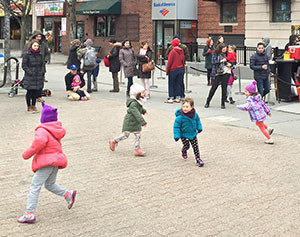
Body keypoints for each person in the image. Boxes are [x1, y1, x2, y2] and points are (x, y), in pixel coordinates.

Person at [17, 102, 77, 223]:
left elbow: (39, 142)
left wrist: (26, 154)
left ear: (43, 118)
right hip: (56, 160)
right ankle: (67, 194)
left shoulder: (42, 130)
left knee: (35, 187)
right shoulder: (56, 129)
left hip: (46, 162)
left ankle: (29, 213)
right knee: (50, 184)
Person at [109, 83, 147, 156]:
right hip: (130, 122)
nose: (144, 94)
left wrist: (143, 111)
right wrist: (143, 122)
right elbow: (136, 113)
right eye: (142, 92)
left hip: (135, 122)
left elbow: (139, 109)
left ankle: (137, 149)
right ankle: (114, 141)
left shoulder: (137, 102)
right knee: (126, 135)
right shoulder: (133, 103)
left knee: (137, 135)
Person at [173, 98, 204, 167]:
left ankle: (198, 159)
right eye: (183, 107)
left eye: (187, 107)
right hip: (184, 135)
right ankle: (184, 150)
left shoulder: (195, 114)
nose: (185, 108)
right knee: (187, 146)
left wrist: (199, 128)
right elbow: (176, 127)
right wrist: (176, 135)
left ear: (191, 107)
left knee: (195, 147)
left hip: (192, 134)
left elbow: (198, 121)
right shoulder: (180, 117)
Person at [204, 43, 232, 109]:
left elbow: (233, 61)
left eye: (225, 49)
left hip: (226, 72)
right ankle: (208, 101)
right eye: (223, 49)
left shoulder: (227, 54)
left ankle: (223, 103)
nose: (225, 50)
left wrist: (230, 65)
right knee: (214, 88)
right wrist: (221, 61)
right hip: (217, 72)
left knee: (224, 88)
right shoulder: (215, 54)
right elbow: (213, 62)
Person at [22, 40, 45, 113]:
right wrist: (30, 72)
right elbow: (24, 65)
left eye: (37, 46)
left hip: (38, 75)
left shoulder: (40, 55)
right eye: (34, 45)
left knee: (36, 92)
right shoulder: (27, 54)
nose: (36, 47)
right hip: (30, 76)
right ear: (31, 46)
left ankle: (34, 105)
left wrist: (42, 72)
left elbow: (42, 65)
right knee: (30, 91)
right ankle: (29, 106)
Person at [27, 30, 50, 101]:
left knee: (40, 82)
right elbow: (26, 54)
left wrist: (45, 60)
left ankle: (39, 96)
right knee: (32, 82)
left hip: (41, 66)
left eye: (40, 36)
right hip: (32, 66)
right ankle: (32, 95)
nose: (39, 38)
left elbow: (47, 53)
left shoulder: (43, 45)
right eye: (37, 36)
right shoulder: (29, 45)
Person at [165, 38, 185, 103]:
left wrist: (167, 71)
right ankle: (178, 97)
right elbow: (183, 60)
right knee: (179, 83)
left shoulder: (172, 52)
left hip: (173, 69)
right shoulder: (181, 51)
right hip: (180, 69)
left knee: (171, 84)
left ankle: (171, 97)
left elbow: (169, 62)